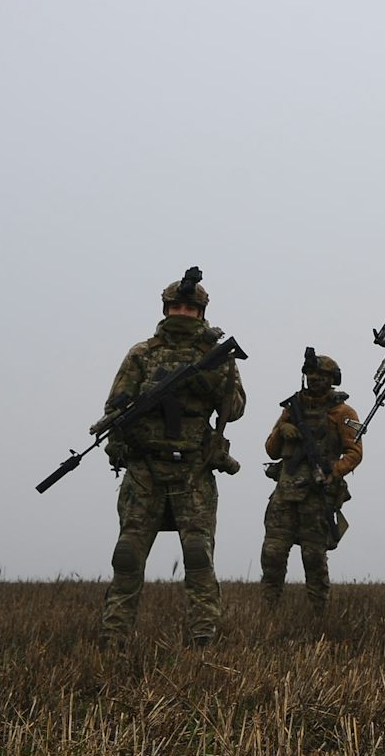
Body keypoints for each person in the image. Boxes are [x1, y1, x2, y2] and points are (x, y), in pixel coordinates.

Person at [99, 267, 245, 649]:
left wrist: (207, 380)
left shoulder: (214, 356)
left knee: (198, 558)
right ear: (165, 309)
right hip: (145, 470)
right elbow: (116, 404)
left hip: (192, 471)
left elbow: (237, 407)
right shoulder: (142, 354)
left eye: (189, 308)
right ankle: (114, 637)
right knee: (127, 556)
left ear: (201, 312)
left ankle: (203, 639)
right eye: (176, 307)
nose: (182, 313)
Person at [259, 349, 362, 612]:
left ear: (332, 379)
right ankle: (268, 612)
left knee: (313, 557)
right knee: (272, 554)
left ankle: (318, 615)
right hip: (284, 493)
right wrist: (283, 430)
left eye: (322, 376)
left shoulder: (342, 412)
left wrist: (333, 471)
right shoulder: (292, 408)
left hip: (317, 496)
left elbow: (354, 453)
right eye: (311, 375)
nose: (315, 380)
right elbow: (271, 450)